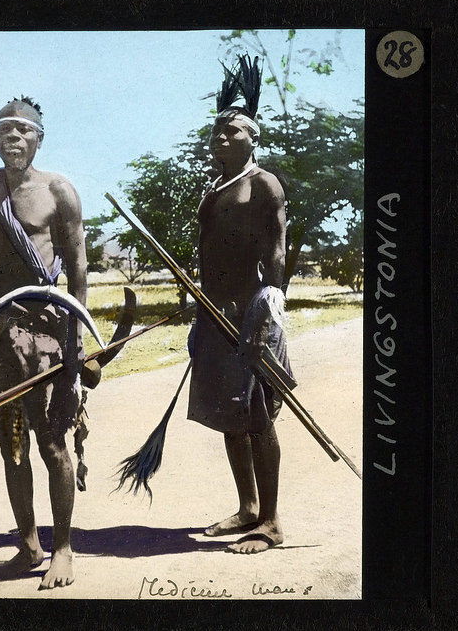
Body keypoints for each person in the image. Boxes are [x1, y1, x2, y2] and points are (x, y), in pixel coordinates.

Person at [0, 96, 86, 588]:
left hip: (45, 333)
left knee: (53, 442)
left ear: (39, 137)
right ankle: (29, 544)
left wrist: (76, 342)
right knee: (10, 443)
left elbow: (77, 268)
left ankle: (63, 549)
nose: (13, 138)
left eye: (23, 130)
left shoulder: (60, 190)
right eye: (4, 130)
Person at [187, 57, 291, 554]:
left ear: (252, 137)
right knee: (231, 417)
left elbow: (275, 259)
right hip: (214, 317)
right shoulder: (212, 193)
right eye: (215, 135)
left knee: (256, 416)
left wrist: (264, 321)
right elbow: (208, 261)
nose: (219, 140)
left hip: (252, 315)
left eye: (230, 133)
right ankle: (248, 506)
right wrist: (198, 318)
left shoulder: (264, 185)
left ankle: (270, 521)